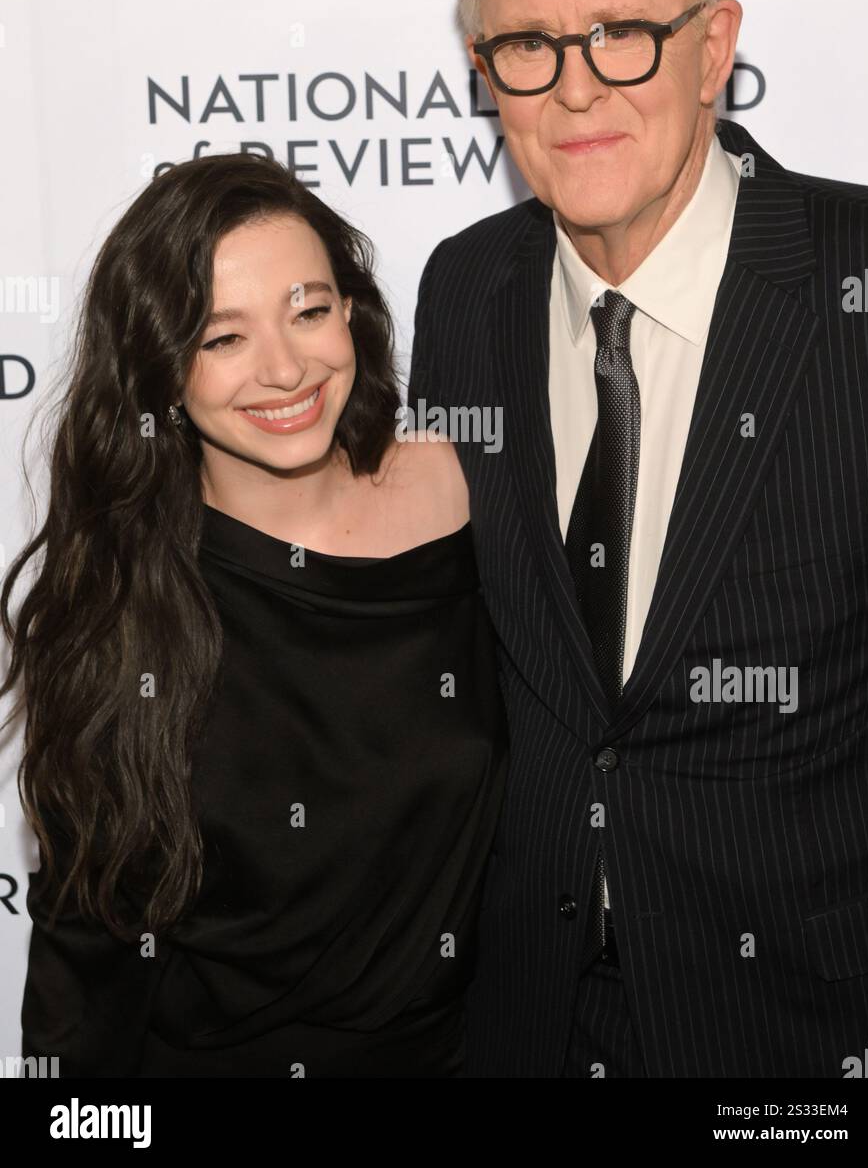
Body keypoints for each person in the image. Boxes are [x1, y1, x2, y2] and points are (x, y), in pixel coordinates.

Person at [408, 0, 868, 1077]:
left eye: (622, 30)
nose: (575, 89)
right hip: (524, 1021)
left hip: (810, 1031)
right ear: (486, 73)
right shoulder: (464, 291)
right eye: (527, 44)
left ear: (714, 45)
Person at [1, 152, 507, 1078]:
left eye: (309, 311)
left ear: (350, 313)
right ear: (162, 367)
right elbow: (86, 972)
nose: (284, 369)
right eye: (222, 337)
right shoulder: (122, 611)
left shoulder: (457, 489)